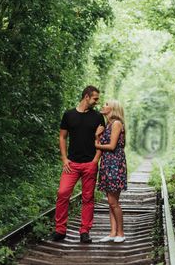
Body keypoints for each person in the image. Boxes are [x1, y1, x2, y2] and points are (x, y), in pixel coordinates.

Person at [53, 85, 105, 243]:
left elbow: (101, 140)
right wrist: (64, 158)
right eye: (95, 98)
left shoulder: (97, 117)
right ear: (87, 96)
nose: (97, 101)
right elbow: (62, 137)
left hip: (90, 163)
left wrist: (96, 160)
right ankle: (60, 230)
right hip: (72, 164)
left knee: (88, 198)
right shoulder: (69, 114)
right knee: (62, 193)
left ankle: (84, 231)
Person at [95, 100, 127, 243]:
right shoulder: (108, 124)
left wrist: (96, 143)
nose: (103, 105)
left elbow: (112, 146)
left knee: (113, 201)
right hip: (108, 163)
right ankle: (112, 232)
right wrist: (97, 136)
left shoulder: (116, 123)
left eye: (106, 104)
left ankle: (121, 233)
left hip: (115, 163)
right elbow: (103, 144)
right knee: (111, 201)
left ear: (113, 108)